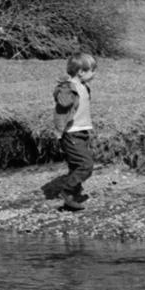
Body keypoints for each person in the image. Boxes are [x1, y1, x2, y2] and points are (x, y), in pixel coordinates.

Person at [51, 53, 98, 212]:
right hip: (71, 133)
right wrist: (64, 84)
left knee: (75, 166)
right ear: (81, 72)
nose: (95, 73)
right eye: (92, 70)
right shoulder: (68, 87)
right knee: (86, 164)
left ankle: (70, 199)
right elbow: (63, 102)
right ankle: (67, 190)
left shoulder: (84, 86)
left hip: (81, 132)